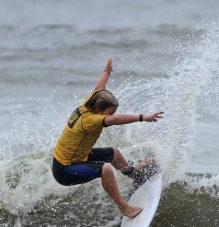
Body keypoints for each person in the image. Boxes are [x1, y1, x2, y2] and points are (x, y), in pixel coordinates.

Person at [52, 57, 164, 218]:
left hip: (76, 157)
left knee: (114, 153)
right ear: (99, 109)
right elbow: (115, 120)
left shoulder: (89, 103)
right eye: (109, 112)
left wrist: (107, 71)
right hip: (65, 170)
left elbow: (100, 86)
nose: (111, 115)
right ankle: (124, 207)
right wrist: (142, 117)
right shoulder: (90, 120)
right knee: (106, 169)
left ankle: (135, 174)